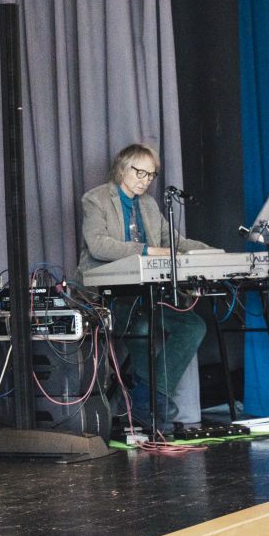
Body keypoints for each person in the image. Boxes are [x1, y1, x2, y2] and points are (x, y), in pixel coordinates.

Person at [76, 143, 209, 431]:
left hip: (146, 293)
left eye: (151, 175)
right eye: (140, 172)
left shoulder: (148, 204)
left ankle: (147, 398)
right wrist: (147, 250)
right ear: (122, 168)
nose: (146, 180)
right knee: (141, 326)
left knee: (193, 326)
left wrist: (211, 253)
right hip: (107, 295)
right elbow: (98, 245)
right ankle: (151, 404)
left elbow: (175, 242)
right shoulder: (96, 199)